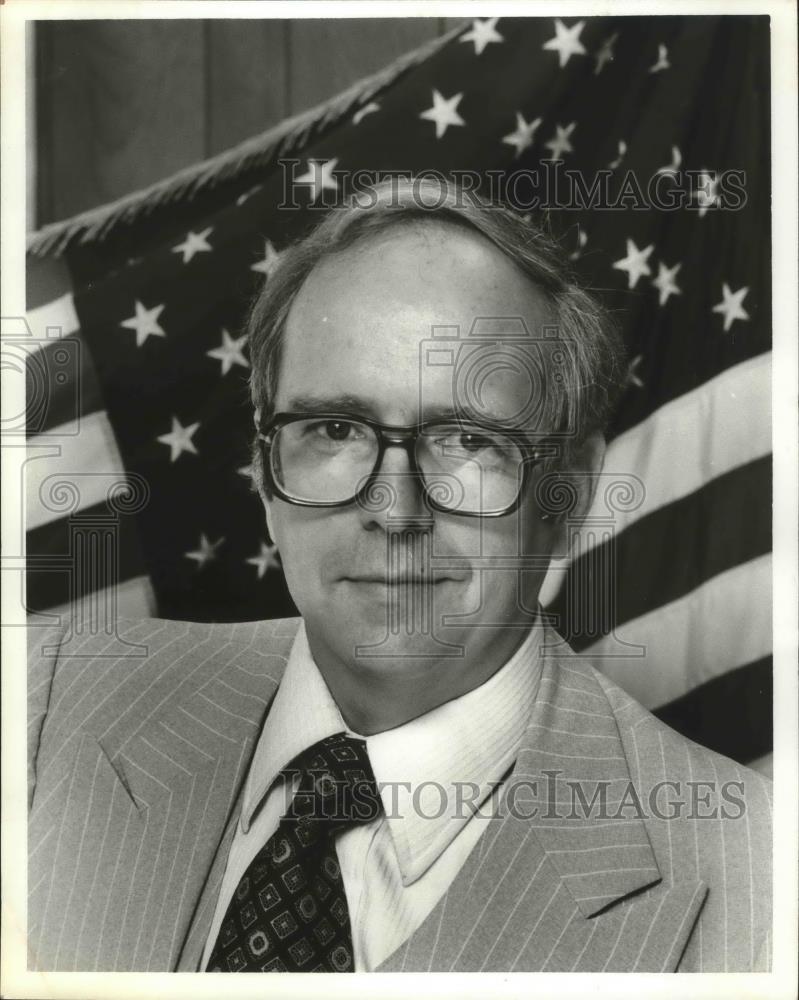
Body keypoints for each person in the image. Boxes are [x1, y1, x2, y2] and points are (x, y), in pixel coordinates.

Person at [27, 178, 771, 973]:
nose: (394, 508)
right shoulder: (47, 706)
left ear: (567, 496)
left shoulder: (753, 882)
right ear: (266, 475)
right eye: (335, 429)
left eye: (467, 440)